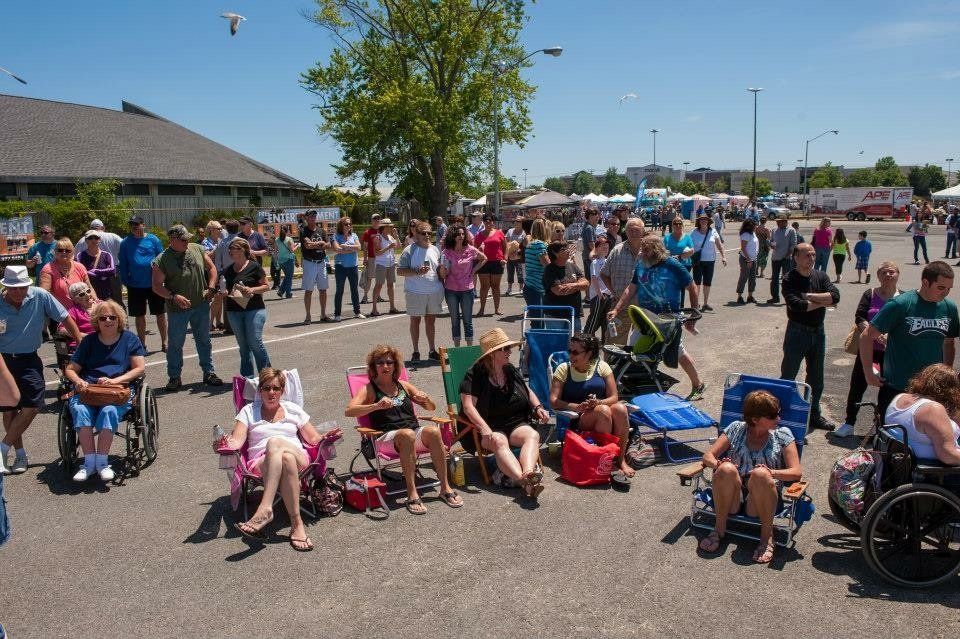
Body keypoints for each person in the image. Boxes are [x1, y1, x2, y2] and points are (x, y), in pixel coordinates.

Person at [219, 368, 343, 550]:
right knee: (284, 458)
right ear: (260, 390)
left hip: (300, 457)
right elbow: (236, 442)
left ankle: (265, 508)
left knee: (276, 443)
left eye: (276, 388)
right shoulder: (248, 411)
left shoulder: (293, 410)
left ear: (282, 391)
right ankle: (297, 524)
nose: (271, 392)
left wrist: (325, 436)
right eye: (267, 388)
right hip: (261, 463)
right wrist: (224, 443)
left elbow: (313, 439)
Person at [345, 345, 462, 515]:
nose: (385, 366)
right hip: (385, 438)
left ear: (395, 365)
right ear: (373, 367)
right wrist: (376, 406)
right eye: (380, 363)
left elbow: (431, 407)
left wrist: (425, 399)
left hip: (411, 434)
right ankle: (411, 493)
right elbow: (349, 410)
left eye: (389, 362)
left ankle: (445, 488)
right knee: (407, 435)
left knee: (433, 431)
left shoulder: (404, 385)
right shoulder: (369, 389)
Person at [698, 390, 802, 564]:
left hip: (762, 500)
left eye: (778, 413)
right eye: (773, 415)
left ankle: (766, 538)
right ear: (755, 419)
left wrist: (771, 472)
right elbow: (708, 457)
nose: (778, 418)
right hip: (732, 498)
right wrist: (720, 464)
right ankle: (718, 530)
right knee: (726, 469)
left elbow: (796, 472)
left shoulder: (783, 434)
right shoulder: (736, 429)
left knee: (761, 474)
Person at [0, 265, 81, 475]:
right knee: (9, 411)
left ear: (29, 284)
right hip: (3, 360)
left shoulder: (40, 296)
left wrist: (80, 339)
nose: (18, 292)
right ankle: (19, 455)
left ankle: (2, 448)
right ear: (5, 287)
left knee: (33, 406)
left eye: (22, 287)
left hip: (28, 359)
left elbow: (64, 316)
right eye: (13, 288)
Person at [608, 234, 705, 401]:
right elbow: (630, 289)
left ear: (655, 250)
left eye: (645, 249)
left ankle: (698, 384)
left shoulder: (672, 264)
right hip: (645, 318)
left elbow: (692, 287)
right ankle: (637, 387)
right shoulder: (641, 265)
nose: (641, 252)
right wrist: (616, 309)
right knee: (633, 350)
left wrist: (692, 316)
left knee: (678, 352)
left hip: (667, 319)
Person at [459, 328, 549, 500]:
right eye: (505, 349)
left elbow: (526, 389)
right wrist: (484, 429)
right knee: (499, 440)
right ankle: (527, 483)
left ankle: (528, 474)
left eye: (509, 348)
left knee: (532, 435)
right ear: (492, 353)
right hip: (490, 425)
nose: (510, 351)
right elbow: (468, 406)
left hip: (515, 422)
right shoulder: (475, 374)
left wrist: (538, 407)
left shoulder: (509, 369)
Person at [861, 261, 959, 419]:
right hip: (898, 387)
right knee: (892, 436)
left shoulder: (949, 308)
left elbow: (949, 343)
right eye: (941, 287)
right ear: (925, 282)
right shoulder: (901, 304)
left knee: (925, 438)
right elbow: (866, 336)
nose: (945, 293)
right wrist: (868, 373)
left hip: (932, 389)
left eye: (949, 289)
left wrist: (946, 375)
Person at [63, 300, 146, 482]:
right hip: (90, 389)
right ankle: (89, 463)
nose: (108, 320)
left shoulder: (130, 339)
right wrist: (78, 382)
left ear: (119, 319)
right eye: (103, 318)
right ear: (96, 321)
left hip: (117, 390)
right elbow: (70, 369)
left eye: (112, 317)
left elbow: (139, 369)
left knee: (108, 411)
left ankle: (102, 463)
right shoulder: (88, 342)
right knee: (79, 410)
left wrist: (114, 381)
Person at [549, 333, 634, 482]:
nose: (570, 355)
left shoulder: (602, 367)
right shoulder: (564, 369)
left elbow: (614, 397)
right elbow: (554, 401)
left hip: (601, 410)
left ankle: (620, 460)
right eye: (569, 351)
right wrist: (576, 407)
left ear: (589, 353)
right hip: (577, 419)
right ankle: (605, 460)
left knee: (620, 408)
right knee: (604, 411)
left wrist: (598, 402)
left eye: (575, 352)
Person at [152, 224, 224, 391]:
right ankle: (174, 377)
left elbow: (211, 268)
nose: (187, 242)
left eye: (187, 238)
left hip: (201, 304)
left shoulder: (197, 249)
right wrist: (173, 296)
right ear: (172, 240)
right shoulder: (162, 259)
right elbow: (156, 286)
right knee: (176, 344)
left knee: (204, 340)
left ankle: (209, 372)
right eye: (183, 239)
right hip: (178, 309)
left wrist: (211, 287)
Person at [835, 262, 901, 438]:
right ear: (878, 276)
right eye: (884, 272)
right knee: (858, 385)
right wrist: (874, 333)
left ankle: (882, 427)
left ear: (898, 275)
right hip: (868, 349)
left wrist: (889, 336)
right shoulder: (870, 293)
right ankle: (849, 423)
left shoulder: (903, 297)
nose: (888, 275)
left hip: (892, 353)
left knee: (888, 390)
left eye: (891, 272)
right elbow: (859, 317)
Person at [780, 243, 841, 431]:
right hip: (797, 332)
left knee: (816, 378)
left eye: (813, 255)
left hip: (818, 332)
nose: (812, 258)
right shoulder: (789, 279)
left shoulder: (821, 276)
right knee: (789, 375)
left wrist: (809, 296)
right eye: (807, 255)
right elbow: (797, 305)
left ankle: (814, 415)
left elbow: (836, 296)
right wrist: (822, 301)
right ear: (796, 258)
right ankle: (783, 415)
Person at [884, 364, 960, 465]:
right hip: (932, 471)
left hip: (898, 463)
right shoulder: (933, 410)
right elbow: (948, 455)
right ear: (950, 390)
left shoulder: (900, 398)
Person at [220, 238, 271, 379]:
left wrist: (252, 289)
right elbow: (224, 289)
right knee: (243, 346)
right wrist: (223, 293)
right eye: (230, 249)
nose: (231, 251)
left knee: (255, 341)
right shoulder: (227, 271)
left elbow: (266, 286)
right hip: (234, 311)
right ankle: (247, 377)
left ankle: (266, 375)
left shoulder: (254, 267)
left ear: (243, 250)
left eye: (234, 248)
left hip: (254, 309)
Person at [397, 221, 444, 361]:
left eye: (429, 233)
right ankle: (416, 351)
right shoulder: (409, 250)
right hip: (415, 292)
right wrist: (417, 271)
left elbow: (439, 270)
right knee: (415, 321)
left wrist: (443, 272)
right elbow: (399, 271)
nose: (427, 236)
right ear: (416, 235)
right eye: (423, 233)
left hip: (434, 292)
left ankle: (431, 350)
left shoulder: (435, 249)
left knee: (431, 322)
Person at [119, 216, 167, 351]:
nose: (134, 226)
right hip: (135, 285)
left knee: (160, 313)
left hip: (154, 284)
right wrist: (125, 280)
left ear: (143, 225)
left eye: (137, 224)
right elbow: (123, 263)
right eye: (132, 224)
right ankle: (142, 344)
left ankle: (164, 342)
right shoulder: (125, 242)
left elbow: (162, 258)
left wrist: (162, 277)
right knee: (139, 315)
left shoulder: (153, 239)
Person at [600, 218, 646, 345]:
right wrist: (613, 291)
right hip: (621, 306)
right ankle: (611, 365)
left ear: (643, 231)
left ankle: (637, 365)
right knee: (614, 342)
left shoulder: (650, 251)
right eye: (630, 230)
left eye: (636, 230)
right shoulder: (617, 250)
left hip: (644, 306)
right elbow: (603, 273)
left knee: (643, 342)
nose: (633, 232)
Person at [438, 223, 486, 347]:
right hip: (451, 290)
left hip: (467, 289)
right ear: (453, 236)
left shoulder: (470, 249)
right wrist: (443, 269)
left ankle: (469, 348)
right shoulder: (446, 252)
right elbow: (443, 274)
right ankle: (457, 348)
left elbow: (484, 258)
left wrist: (474, 270)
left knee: (467, 320)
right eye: (458, 234)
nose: (461, 236)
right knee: (455, 320)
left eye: (463, 234)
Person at [543, 241, 589, 333]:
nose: (568, 251)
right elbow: (559, 291)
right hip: (556, 315)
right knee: (557, 343)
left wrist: (574, 285)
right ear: (555, 253)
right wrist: (578, 287)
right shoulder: (550, 269)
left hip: (574, 313)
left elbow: (586, 284)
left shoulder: (572, 266)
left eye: (567, 248)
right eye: (564, 250)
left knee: (575, 343)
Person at [298, 210, 332, 324]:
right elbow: (307, 246)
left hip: (321, 262)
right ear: (306, 218)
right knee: (309, 290)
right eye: (311, 216)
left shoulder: (321, 230)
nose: (313, 217)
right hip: (309, 263)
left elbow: (328, 245)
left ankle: (323, 314)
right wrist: (320, 244)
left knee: (323, 290)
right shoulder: (303, 231)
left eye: (314, 216)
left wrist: (319, 243)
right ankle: (308, 316)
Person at [39, 238, 95, 309]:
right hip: (60, 312)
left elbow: (89, 287)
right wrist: (64, 306)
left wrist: (95, 302)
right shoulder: (48, 269)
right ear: (55, 251)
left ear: (72, 252)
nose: (64, 252)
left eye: (68, 251)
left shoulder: (79, 267)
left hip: (82, 310)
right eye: (60, 250)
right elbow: (45, 293)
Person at [689, 214, 725, 312]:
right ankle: (696, 303)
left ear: (708, 222)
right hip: (698, 262)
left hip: (710, 261)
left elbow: (719, 245)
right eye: (702, 220)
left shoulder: (713, 231)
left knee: (707, 283)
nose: (704, 221)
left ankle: (705, 303)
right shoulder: (694, 232)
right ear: (699, 222)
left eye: (705, 220)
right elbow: (688, 244)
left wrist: (723, 257)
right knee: (697, 283)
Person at [331, 217, 365, 322]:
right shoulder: (336, 236)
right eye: (346, 224)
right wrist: (351, 248)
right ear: (341, 225)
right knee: (339, 290)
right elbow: (337, 249)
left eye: (350, 224)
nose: (348, 226)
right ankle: (337, 314)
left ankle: (357, 311)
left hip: (353, 266)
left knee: (354, 290)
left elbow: (359, 247)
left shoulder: (354, 235)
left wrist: (346, 247)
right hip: (340, 267)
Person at [475, 213, 507, 317]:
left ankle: (497, 309)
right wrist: (478, 252)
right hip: (483, 262)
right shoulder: (478, 235)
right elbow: (475, 250)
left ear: (493, 222)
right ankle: (482, 309)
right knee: (484, 287)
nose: (488, 222)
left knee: (495, 286)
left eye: (490, 221)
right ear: (483, 222)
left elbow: (505, 247)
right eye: (486, 221)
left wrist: (504, 258)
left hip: (497, 262)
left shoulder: (499, 233)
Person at [370, 218, 401, 316]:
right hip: (381, 264)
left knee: (391, 285)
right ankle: (374, 308)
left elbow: (399, 246)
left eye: (391, 226)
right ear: (384, 227)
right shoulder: (378, 237)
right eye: (389, 226)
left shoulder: (391, 237)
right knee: (379, 285)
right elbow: (376, 253)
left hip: (391, 263)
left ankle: (392, 307)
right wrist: (388, 247)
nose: (391, 228)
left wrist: (396, 236)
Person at [75, 230, 116, 302]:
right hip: (87, 294)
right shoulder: (80, 256)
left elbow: (112, 270)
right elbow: (80, 272)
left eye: (96, 238)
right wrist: (102, 275)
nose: (93, 240)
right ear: (86, 240)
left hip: (105, 292)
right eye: (90, 238)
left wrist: (95, 271)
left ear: (99, 240)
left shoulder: (106, 255)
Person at [522, 218, 551, 312]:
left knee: (537, 320)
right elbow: (547, 265)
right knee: (539, 321)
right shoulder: (539, 245)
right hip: (537, 287)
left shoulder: (531, 244)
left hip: (531, 285)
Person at [766, 216, 796, 305]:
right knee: (774, 279)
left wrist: (787, 255)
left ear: (785, 221)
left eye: (779, 222)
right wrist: (770, 244)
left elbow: (793, 245)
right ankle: (775, 297)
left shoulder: (791, 230)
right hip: (775, 258)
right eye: (777, 222)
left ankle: (789, 298)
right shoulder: (775, 230)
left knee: (786, 279)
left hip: (786, 259)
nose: (777, 223)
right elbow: (771, 241)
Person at [59, 282, 96, 347]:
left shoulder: (102, 305)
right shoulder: (73, 311)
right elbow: (62, 329)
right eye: (82, 294)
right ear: (75, 299)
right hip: (86, 342)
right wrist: (83, 336)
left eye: (88, 291)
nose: (87, 295)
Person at [735, 218, 758, 304]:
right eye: (754, 225)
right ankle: (739, 296)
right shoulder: (745, 234)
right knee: (744, 277)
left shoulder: (753, 233)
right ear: (750, 226)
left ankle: (750, 296)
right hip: (746, 259)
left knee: (752, 278)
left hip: (753, 259)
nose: (756, 226)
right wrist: (748, 260)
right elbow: (743, 248)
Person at [360, 213, 382, 304]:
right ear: (371, 220)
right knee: (369, 278)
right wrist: (365, 259)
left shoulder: (382, 231)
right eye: (375, 219)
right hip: (372, 258)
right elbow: (365, 247)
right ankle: (365, 296)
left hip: (381, 258)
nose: (377, 220)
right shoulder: (367, 232)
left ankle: (378, 296)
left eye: (378, 219)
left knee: (379, 278)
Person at [275, 225, 298, 299]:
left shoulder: (276, 240)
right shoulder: (289, 239)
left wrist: (276, 261)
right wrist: (297, 246)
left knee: (287, 277)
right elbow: (292, 250)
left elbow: (276, 252)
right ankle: (288, 293)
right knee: (289, 277)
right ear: (287, 230)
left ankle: (281, 291)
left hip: (281, 261)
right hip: (289, 260)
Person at [505, 215, 526, 296]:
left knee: (520, 272)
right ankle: (509, 288)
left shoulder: (524, 232)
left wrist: (519, 250)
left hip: (519, 255)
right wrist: (509, 250)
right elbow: (506, 242)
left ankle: (521, 288)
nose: (516, 222)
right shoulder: (510, 231)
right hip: (510, 255)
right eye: (516, 221)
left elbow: (524, 244)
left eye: (518, 221)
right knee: (510, 272)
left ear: (522, 223)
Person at [580, 208, 599, 287]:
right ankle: (592, 296)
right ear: (590, 216)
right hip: (590, 256)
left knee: (588, 277)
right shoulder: (589, 228)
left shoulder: (587, 226)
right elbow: (591, 244)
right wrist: (597, 254)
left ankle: (588, 297)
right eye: (595, 215)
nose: (597, 217)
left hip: (586, 256)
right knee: (593, 277)